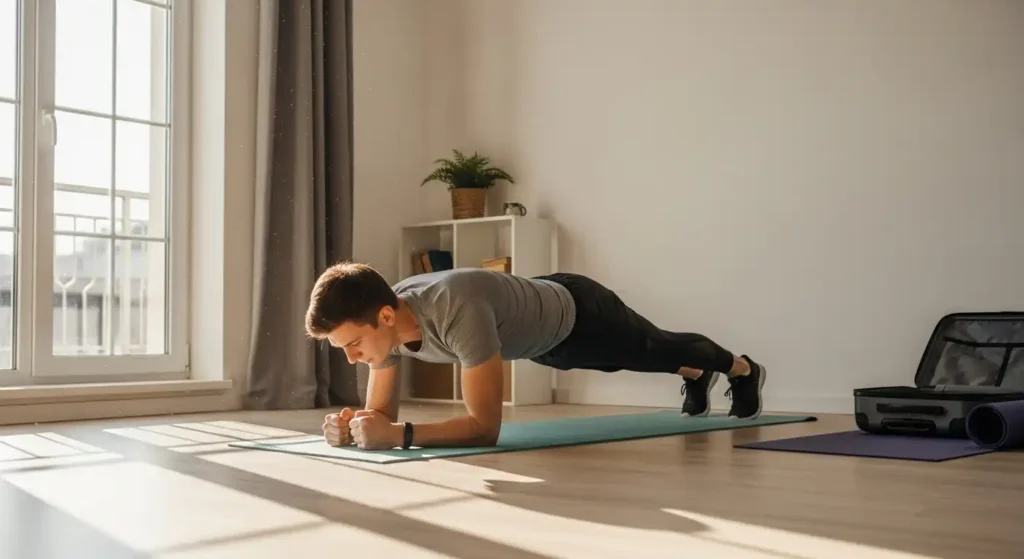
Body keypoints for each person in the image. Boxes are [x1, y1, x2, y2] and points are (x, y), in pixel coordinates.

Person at [305, 261, 766, 450]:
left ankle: (742, 369)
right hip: (544, 343)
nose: (351, 359)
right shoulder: (388, 324)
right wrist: (355, 426)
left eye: (352, 346)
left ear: (384, 317)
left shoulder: (455, 310)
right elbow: (380, 415)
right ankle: (693, 374)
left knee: (654, 347)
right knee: (636, 358)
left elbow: (485, 429)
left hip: (583, 314)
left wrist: (402, 436)